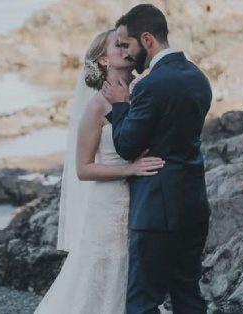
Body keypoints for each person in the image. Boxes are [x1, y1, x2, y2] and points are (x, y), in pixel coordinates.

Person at [34, 29, 165, 314]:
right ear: (104, 61)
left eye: (127, 43)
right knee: (100, 279)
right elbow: (83, 169)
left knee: (134, 276)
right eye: (118, 45)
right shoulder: (95, 107)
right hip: (108, 205)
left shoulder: (143, 93)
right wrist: (130, 168)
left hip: (142, 200)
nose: (127, 47)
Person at [102, 4, 212, 314]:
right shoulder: (198, 77)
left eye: (127, 44)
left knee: (142, 302)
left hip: (156, 209)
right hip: (193, 205)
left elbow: (126, 146)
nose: (125, 51)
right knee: (188, 294)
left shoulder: (150, 86)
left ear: (147, 40)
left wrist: (120, 105)